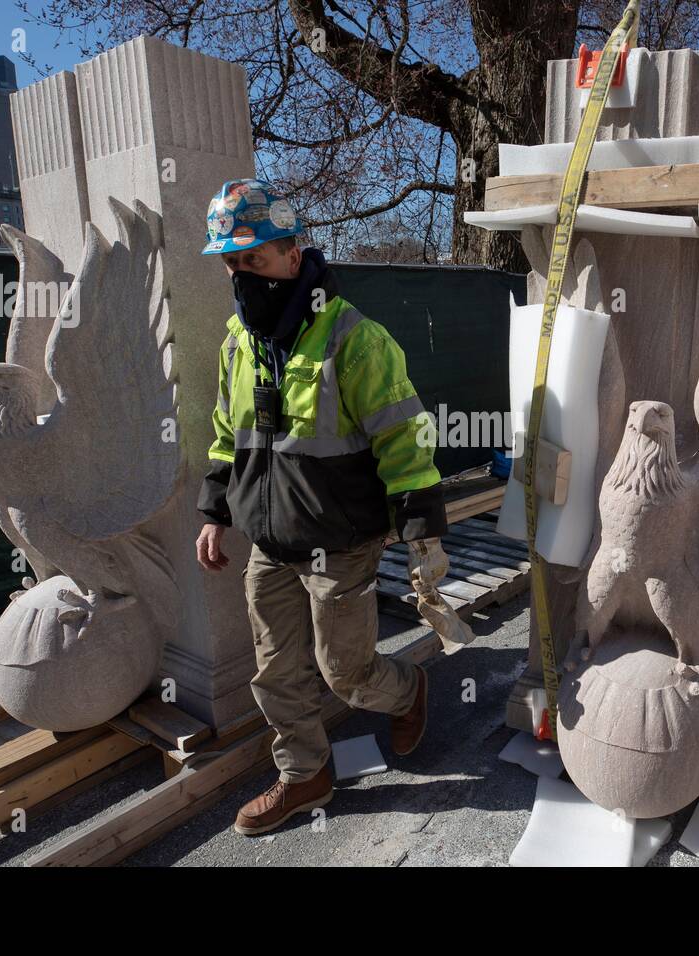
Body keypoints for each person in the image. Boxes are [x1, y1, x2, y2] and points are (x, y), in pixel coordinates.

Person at [194, 179, 450, 836]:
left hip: (339, 544)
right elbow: (228, 434)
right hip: (269, 541)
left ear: (291, 251)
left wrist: (422, 531)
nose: (241, 274)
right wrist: (215, 513)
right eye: (231, 263)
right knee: (276, 672)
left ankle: (409, 688)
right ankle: (304, 774)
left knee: (346, 674)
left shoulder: (354, 340)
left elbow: (406, 436)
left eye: (252, 259)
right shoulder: (237, 345)